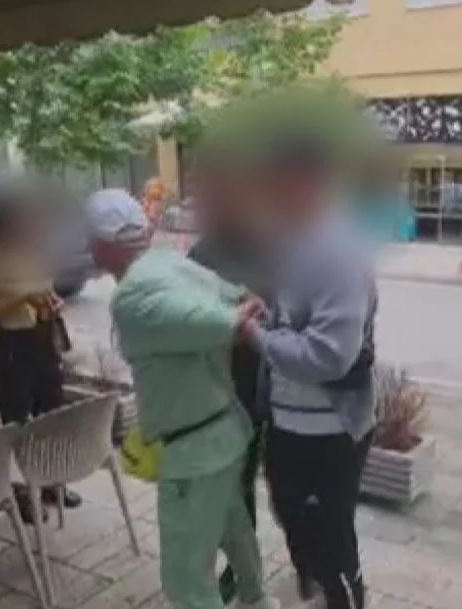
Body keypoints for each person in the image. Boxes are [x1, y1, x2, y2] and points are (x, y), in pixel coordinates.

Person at [85, 188, 277, 609]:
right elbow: (240, 300)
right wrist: (238, 314)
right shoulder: (169, 261)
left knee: (186, 582)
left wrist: (234, 320)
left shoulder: (131, 297)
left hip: (195, 453)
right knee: (236, 535)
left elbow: (221, 322)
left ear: (103, 244)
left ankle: (256, 599)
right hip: (225, 433)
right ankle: (258, 601)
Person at [241, 138, 378, 609]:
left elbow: (329, 354)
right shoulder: (292, 238)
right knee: (294, 519)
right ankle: (320, 589)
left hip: (329, 428)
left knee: (330, 543)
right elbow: (291, 313)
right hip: (290, 420)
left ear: (308, 183)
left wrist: (255, 338)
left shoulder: (337, 249)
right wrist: (263, 310)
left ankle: (343, 597)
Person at [186, 155, 272, 604]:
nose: (202, 202)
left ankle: (243, 570)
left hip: (247, 387)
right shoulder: (200, 253)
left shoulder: (263, 248)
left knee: (238, 486)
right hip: (206, 389)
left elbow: (265, 316)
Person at [0, 183, 81, 513]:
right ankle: (18, 492)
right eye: (25, 217)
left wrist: (52, 304)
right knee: (16, 421)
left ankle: (52, 484)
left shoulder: (38, 254)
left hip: (43, 339)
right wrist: (20, 299)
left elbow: (46, 293)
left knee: (52, 417)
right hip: (12, 344)